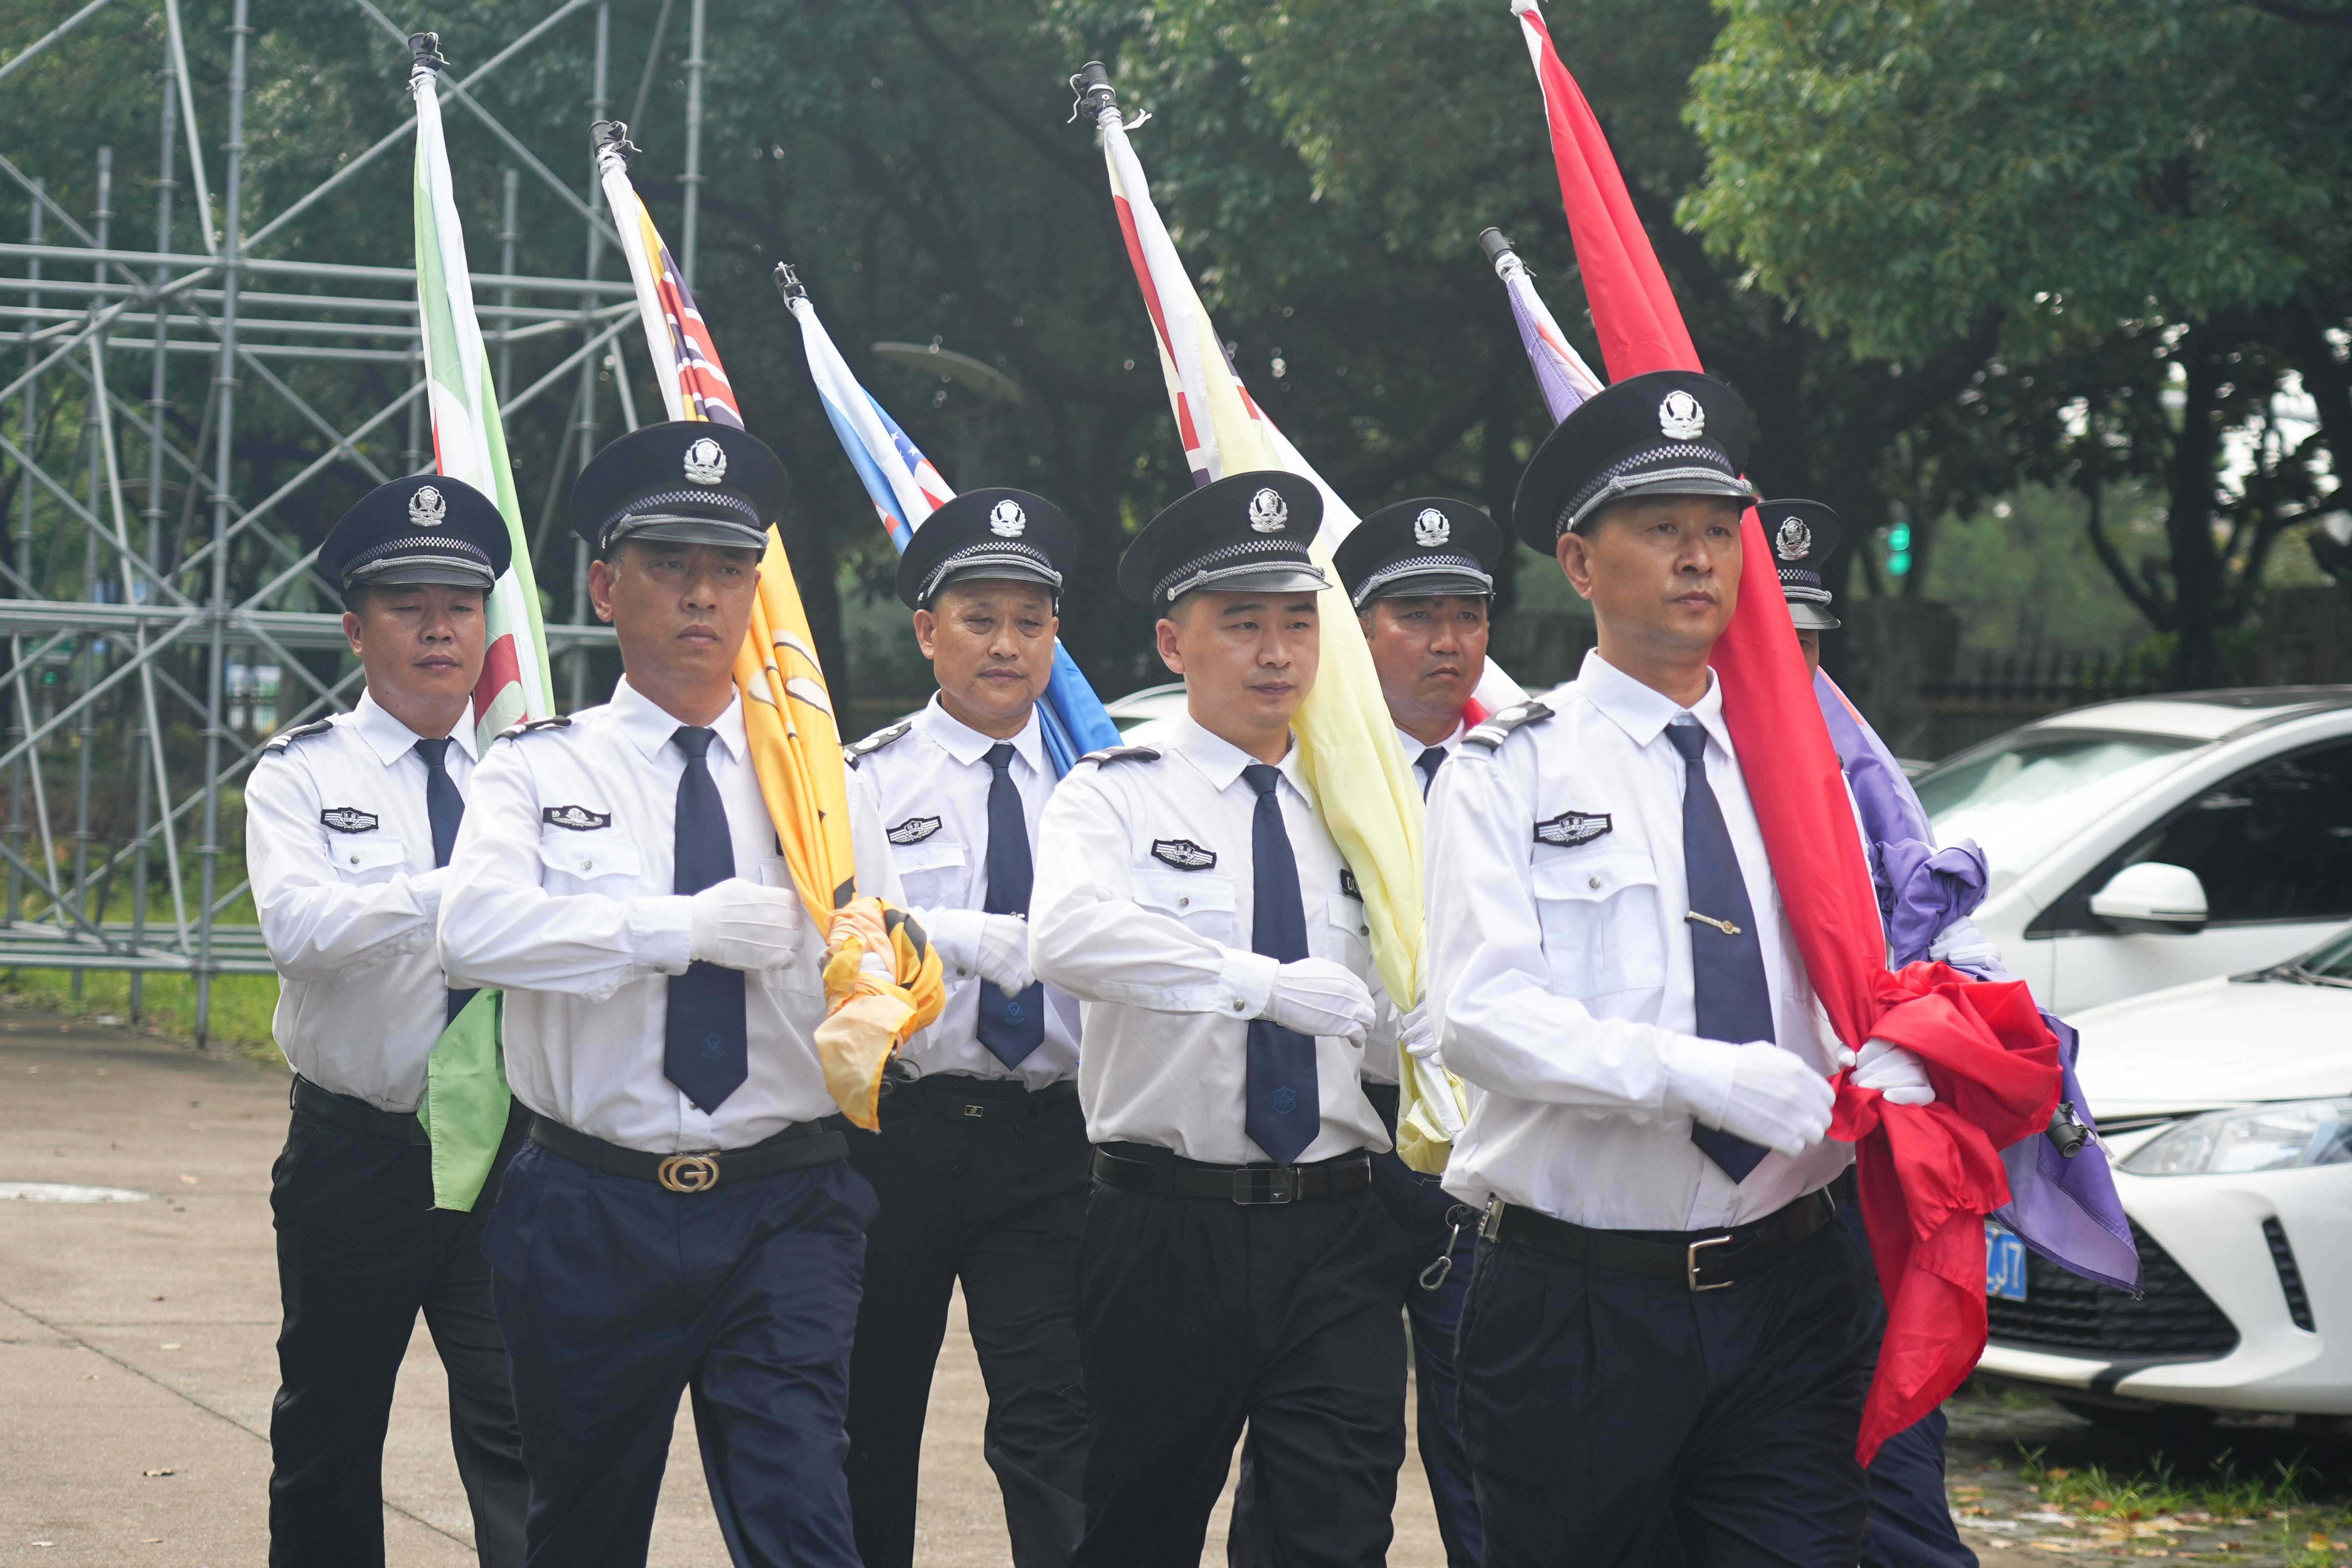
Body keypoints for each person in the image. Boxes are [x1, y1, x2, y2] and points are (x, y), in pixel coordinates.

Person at [1424, 370, 1938, 1566]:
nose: (1700, 559)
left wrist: (1908, 1044)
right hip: (1582, 1307)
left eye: (1719, 532)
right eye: (1662, 531)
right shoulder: (1509, 772)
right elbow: (1482, 1022)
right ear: (1578, 562)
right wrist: (1693, 1077)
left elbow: (1878, 960)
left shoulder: (1807, 774)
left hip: (1793, 1291)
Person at [438, 421, 898, 1568]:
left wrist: (892, 974)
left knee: (804, 1523)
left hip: (783, 1199)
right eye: (671, 567)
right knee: (584, 1531)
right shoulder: (541, 768)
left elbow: (880, 951)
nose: (704, 596)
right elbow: (473, 933)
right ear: (606, 586)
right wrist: (673, 929)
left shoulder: (824, 784)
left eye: (729, 570)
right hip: (594, 1206)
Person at [1030, 471, 1410, 1568]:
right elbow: (1069, 937)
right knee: (1140, 1528)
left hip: (1337, 1225)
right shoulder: (1113, 794)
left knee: (1333, 1530)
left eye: (1298, 624)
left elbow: (1393, 1000)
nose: (1277, 653)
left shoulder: (1362, 814)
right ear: (1172, 642)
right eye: (1242, 625)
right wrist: (1259, 984)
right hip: (1166, 1227)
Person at [246, 473, 528, 1567]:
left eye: (460, 605)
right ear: (357, 628)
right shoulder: (303, 776)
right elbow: (298, 931)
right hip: (360, 1153)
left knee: (523, 1428)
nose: (438, 628)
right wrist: (456, 890)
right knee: (330, 1425)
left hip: (508, 1153)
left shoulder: (526, 773)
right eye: (409, 606)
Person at [836, 488, 1091, 1568]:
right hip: (905, 1132)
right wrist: (962, 937)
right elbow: (848, 931)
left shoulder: (1101, 784)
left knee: (1060, 1417)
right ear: (928, 630)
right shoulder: (867, 780)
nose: (1006, 644)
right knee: (870, 1412)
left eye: (1031, 621)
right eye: (980, 617)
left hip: (1053, 1138)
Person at [1764, 496, 1981, 1568]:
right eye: (1771, 639)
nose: (1794, 666)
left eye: (1808, 645)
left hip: (1857, 1187)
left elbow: (1926, 945)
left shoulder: (1868, 792)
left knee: (1896, 1489)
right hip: (1699, 1213)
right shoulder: (1628, 780)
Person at [1328, 495, 1509, 1567]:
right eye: (1415, 616)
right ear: (1359, 629)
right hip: (1348, 1142)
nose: (1449, 642)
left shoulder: (1527, 772)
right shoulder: (1312, 774)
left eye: (1468, 615)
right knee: (1331, 1457)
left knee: (1484, 1434)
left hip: (1486, 1153)